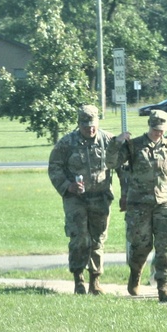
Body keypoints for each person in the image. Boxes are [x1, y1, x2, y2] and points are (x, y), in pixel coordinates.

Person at [107, 110, 167, 303]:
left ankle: (164, 286)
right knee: (141, 245)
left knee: (165, 246)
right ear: (149, 126)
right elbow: (110, 163)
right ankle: (136, 272)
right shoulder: (134, 146)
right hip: (139, 204)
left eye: (161, 130)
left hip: (165, 202)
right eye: (155, 129)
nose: (158, 133)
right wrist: (116, 142)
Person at [47, 105, 115, 295]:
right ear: (79, 124)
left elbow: (123, 163)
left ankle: (95, 279)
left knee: (98, 239)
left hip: (100, 197)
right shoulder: (67, 143)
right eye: (85, 125)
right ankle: (78, 278)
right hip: (76, 199)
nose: (89, 129)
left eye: (92, 125)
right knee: (79, 238)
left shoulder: (108, 140)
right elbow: (54, 167)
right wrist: (67, 186)